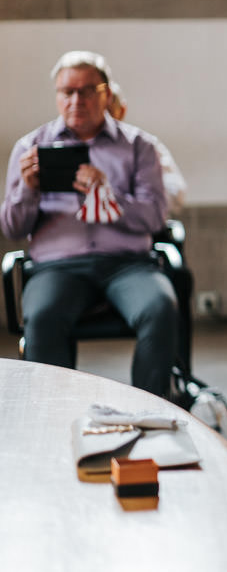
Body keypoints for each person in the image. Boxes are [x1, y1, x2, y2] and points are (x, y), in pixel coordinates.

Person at [0, 51, 178, 397]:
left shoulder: (140, 146)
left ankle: (153, 413)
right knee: (43, 316)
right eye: (67, 92)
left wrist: (110, 197)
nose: (75, 100)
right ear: (57, 96)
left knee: (160, 307)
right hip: (57, 267)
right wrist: (28, 190)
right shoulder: (30, 148)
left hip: (128, 265)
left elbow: (156, 216)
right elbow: (11, 228)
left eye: (86, 91)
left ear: (106, 95)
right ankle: (56, 419)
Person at [107, 81, 188, 216]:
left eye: (108, 112)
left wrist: (138, 196)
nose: (103, 120)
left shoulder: (143, 146)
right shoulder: (74, 146)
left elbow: (176, 192)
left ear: (122, 110)